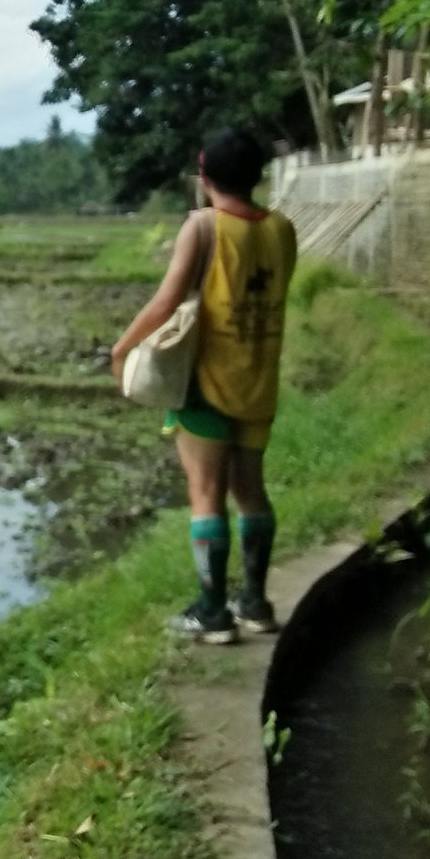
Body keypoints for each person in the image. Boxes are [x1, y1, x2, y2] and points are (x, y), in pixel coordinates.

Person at [110, 129, 298, 644]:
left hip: (207, 382)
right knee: (251, 492)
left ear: (203, 176)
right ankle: (256, 603)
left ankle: (212, 613)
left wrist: (122, 348)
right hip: (259, 377)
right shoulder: (282, 229)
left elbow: (167, 301)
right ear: (258, 175)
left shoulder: (203, 226)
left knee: (206, 494)